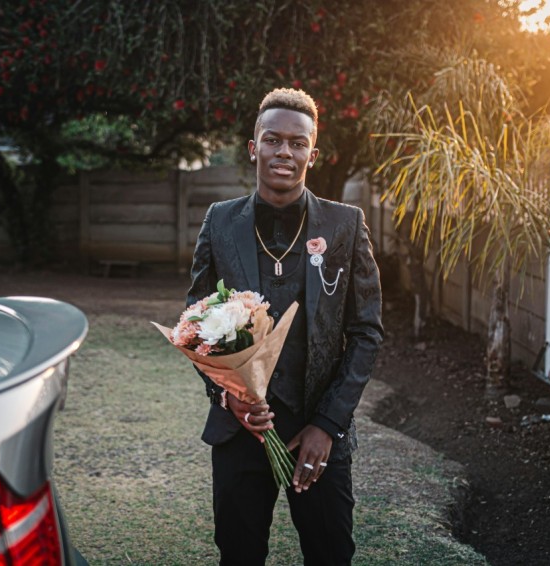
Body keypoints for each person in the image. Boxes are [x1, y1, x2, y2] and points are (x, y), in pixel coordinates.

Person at [187, 87, 384, 565]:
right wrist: (228, 395)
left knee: (331, 553)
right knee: (238, 555)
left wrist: (328, 425)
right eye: (273, 140)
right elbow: (194, 320)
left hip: (319, 432)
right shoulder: (219, 221)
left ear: (312, 154)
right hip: (241, 430)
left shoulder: (345, 225)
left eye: (297, 144)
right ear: (254, 147)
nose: (284, 153)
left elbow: (366, 332)